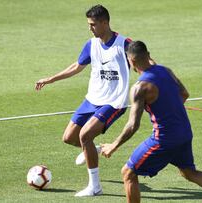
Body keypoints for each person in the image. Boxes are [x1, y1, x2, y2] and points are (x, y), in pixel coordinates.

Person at [101, 41, 202, 203]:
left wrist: (113, 145)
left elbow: (133, 125)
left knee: (128, 172)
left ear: (131, 62)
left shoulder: (140, 87)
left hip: (164, 139)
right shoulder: (166, 71)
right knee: (188, 172)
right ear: (149, 54)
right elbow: (184, 94)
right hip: (184, 132)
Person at [35, 5, 132, 197]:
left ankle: (95, 187)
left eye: (93, 24)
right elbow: (76, 66)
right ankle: (94, 149)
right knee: (69, 138)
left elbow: (147, 62)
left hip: (113, 102)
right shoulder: (91, 44)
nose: (90, 28)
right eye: (89, 24)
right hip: (92, 99)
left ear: (105, 23)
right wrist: (51, 78)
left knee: (85, 135)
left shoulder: (124, 44)